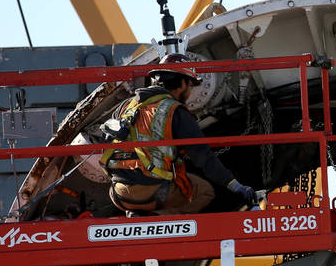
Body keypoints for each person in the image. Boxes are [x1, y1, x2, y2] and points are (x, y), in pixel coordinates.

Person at [101, 53, 257, 214]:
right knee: (203, 191)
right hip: (149, 191)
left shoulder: (127, 106)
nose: (190, 91)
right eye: (190, 85)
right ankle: (157, 223)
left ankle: (137, 214)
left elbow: (105, 141)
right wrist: (236, 186)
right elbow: (203, 157)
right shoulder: (174, 111)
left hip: (118, 192)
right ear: (183, 82)